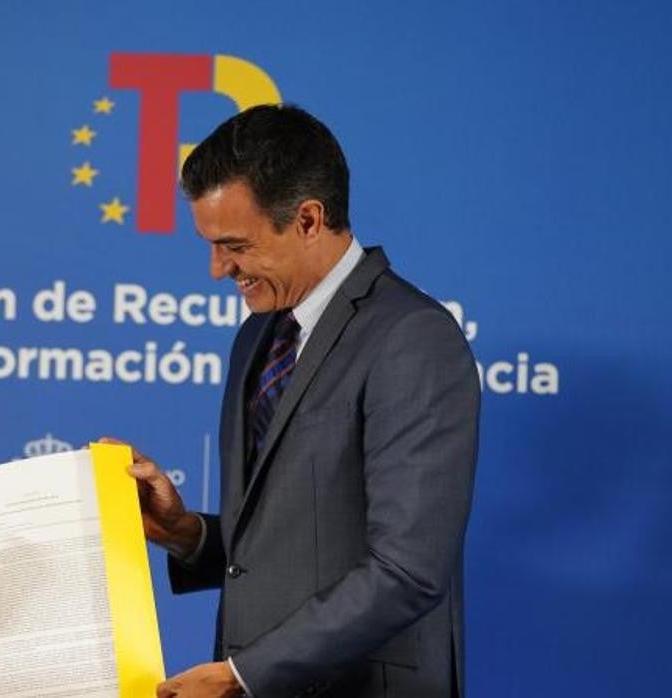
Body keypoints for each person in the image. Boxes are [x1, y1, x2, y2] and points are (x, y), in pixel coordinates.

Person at [122, 105, 480, 697]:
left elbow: (408, 571)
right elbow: (289, 549)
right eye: (211, 246)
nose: (217, 270)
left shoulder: (412, 338)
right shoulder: (257, 335)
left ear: (310, 220)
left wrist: (244, 675)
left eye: (234, 245)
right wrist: (187, 533)